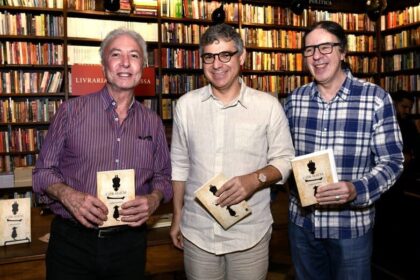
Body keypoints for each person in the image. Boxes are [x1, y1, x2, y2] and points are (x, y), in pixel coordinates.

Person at [32, 28, 172, 280]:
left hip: (129, 245)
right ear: (103, 65)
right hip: (73, 244)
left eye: (134, 55)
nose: (126, 63)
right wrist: (68, 194)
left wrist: (154, 198)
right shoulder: (71, 112)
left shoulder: (152, 122)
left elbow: (163, 176)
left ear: (143, 66)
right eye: (116, 54)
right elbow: (42, 173)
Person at [170, 23, 295, 280]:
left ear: (242, 56)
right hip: (198, 232)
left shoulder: (268, 106)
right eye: (209, 56)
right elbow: (180, 165)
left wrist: (254, 179)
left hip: (249, 233)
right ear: (201, 60)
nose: (217, 64)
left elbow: (285, 160)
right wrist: (176, 217)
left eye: (225, 54)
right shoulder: (186, 106)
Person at [284, 21, 404, 280]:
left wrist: (357, 189)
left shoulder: (375, 98)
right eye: (309, 50)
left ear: (343, 52)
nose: (316, 56)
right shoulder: (294, 100)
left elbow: (392, 161)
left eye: (325, 47)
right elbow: (283, 157)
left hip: (351, 227)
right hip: (303, 225)